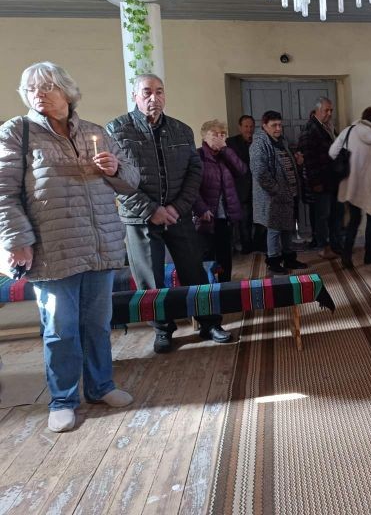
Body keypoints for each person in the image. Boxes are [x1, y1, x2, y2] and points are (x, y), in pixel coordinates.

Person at [0, 62, 140, 432]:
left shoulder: (95, 131)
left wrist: (115, 169)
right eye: (31, 88)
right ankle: (63, 399)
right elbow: (3, 192)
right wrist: (16, 240)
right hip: (53, 248)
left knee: (97, 324)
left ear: (67, 91)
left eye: (46, 86)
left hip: (98, 244)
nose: (38, 94)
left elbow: (130, 181)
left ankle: (101, 386)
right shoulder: (17, 132)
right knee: (61, 329)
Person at [107, 74, 232, 354]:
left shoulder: (181, 130)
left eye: (160, 91)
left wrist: (176, 208)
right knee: (150, 279)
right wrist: (152, 210)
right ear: (135, 96)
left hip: (178, 215)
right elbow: (115, 179)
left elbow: (194, 173)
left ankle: (209, 322)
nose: (154, 97)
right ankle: (163, 329)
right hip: (140, 219)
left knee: (194, 271)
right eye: (147, 92)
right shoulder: (116, 130)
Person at [251, 110, 308, 274]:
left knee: (288, 227)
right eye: (274, 125)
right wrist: (277, 190)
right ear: (264, 126)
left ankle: (289, 258)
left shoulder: (281, 141)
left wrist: (297, 164)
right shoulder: (259, 144)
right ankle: (273, 261)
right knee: (274, 229)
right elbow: (260, 172)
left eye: (280, 125)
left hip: (288, 194)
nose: (278, 128)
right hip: (272, 196)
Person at [329, 106, 371, 269]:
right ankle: (369, 254)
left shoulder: (348, 131)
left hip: (350, 182)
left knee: (354, 219)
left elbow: (332, 152)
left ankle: (346, 256)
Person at [193, 119, 247, 283]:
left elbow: (242, 170)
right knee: (207, 255)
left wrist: (226, 150)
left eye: (222, 134)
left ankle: (225, 286)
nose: (219, 137)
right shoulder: (198, 156)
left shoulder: (226, 155)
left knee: (225, 255)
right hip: (205, 216)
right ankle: (207, 289)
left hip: (225, 215)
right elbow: (192, 188)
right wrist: (201, 209)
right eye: (215, 134)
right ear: (204, 136)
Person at [298, 96, 343, 259]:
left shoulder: (328, 127)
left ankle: (336, 245)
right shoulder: (310, 129)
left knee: (335, 214)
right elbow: (309, 159)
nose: (330, 113)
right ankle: (323, 247)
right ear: (317, 110)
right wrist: (315, 182)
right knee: (322, 216)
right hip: (321, 181)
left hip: (333, 180)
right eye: (326, 110)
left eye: (331, 110)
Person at [226, 114, 256, 253]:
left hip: (258, 187)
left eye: (251, 126)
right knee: (244, 219)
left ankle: (258, 244)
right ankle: (246, 246)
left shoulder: (258, 141)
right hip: (240, 188)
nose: (249, 129)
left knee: (258, 219)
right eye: (246, 126)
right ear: (240, 127)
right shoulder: (231, 143)